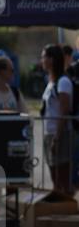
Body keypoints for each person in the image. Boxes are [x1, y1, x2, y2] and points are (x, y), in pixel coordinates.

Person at [41, 43, 74, 194]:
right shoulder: (51, 82)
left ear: (52, 60)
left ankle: (68, 211)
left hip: (60, 135)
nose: (42, 60)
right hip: (49, 133)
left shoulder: (63, 82)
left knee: (62, 177)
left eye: (44, 57)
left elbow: (64, 112)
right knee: (54, 176)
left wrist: (57, 137)